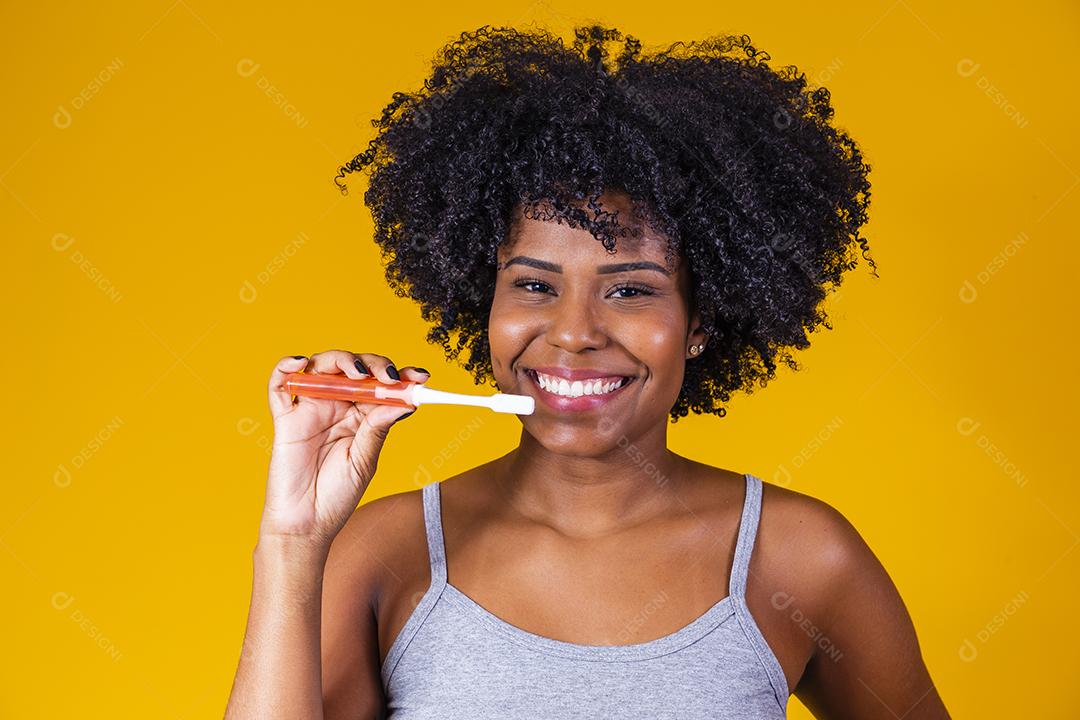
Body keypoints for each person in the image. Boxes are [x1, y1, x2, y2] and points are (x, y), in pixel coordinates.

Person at [225, 24, 950, 719]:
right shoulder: (385, 553)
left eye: (630, 290)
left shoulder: (799, 558)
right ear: (484, 301)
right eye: (534, 285)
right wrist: (292, 545)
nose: (574, 334)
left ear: (700, 322)